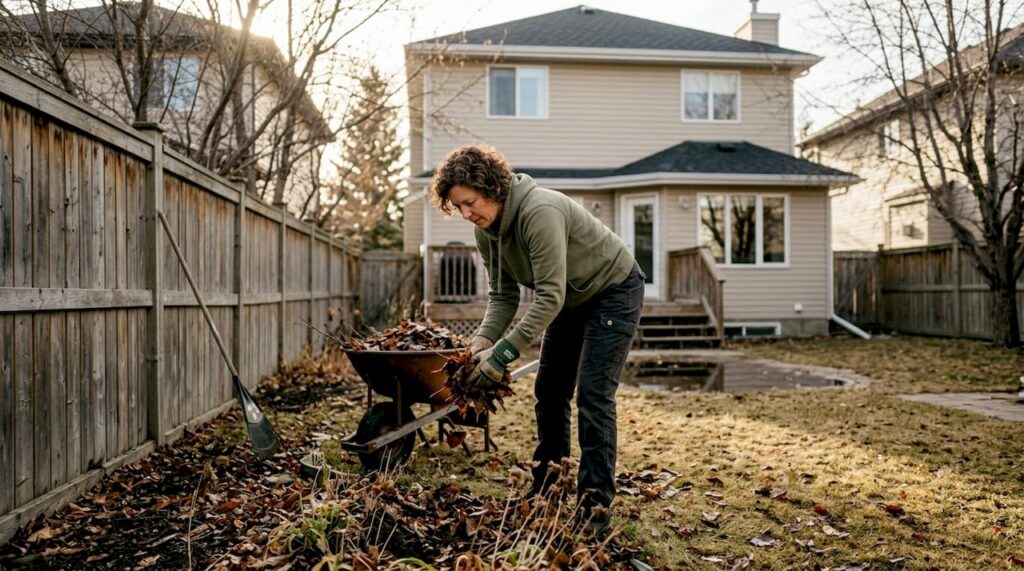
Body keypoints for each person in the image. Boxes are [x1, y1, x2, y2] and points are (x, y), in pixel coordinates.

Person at [430, 144, 645, 534]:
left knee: (594, 395)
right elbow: (503, 296)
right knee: (550, 391)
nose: (466, 214)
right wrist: (481, 344)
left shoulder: (538, 212)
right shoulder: (487, 232)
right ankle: (548, 484)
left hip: (613, 290)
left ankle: (595, 505)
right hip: (570, 298)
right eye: (458, 207)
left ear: (491, 187)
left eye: (470, 202)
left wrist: (503, 355)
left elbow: (548, 296)